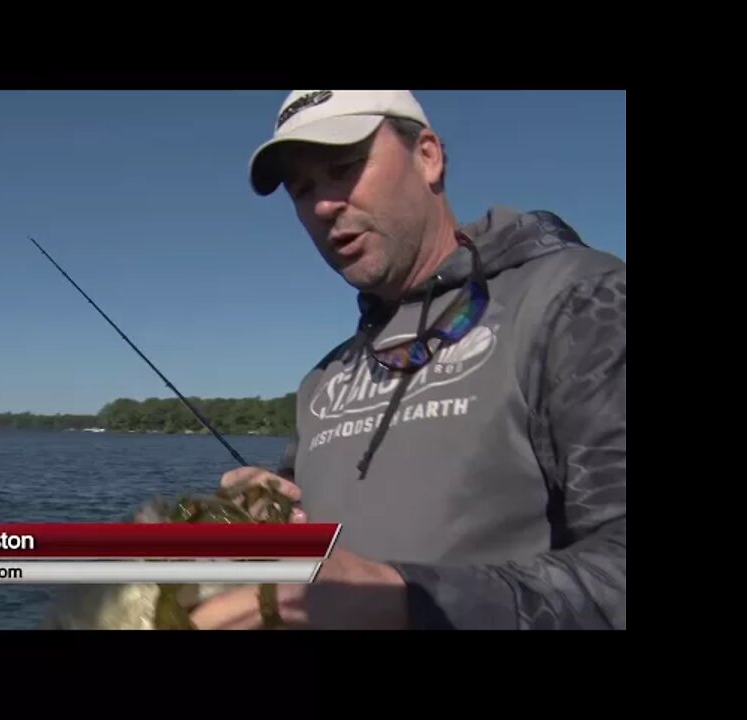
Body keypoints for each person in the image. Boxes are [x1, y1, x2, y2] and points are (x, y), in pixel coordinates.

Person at [189, 90, 626, 630]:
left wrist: (404, 599)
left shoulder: (581, 299)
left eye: (343, 168)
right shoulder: (323, 381)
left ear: (428, 155)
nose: (324, 205)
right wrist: (266, 514)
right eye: (303, 189)